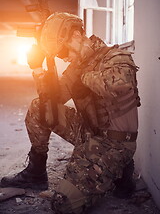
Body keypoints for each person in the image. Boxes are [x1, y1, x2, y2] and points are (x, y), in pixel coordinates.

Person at [0, 12, 140, 213]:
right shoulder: (78, 67)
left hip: (115, 143)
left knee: (63, 204)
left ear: (75, 36)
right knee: (40, 107)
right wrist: (39, 68)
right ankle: (36, 171)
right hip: (90, 134)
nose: (64, 57)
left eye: (64, 51)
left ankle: (122, 170)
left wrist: (86, 78)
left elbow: (122, 85)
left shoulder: (115, 56)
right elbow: (53, 99)